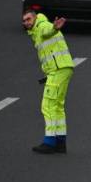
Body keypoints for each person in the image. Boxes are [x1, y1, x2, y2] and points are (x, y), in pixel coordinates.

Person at [22, 10, 74, 154]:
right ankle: (60, 142)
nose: (26, 22)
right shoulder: (36, 31)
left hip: (58, 70)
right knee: (57, 106)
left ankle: (50, 142)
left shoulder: (42, 26)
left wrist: (54, 28)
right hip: (63, 69)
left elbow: (48, 31)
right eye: (24, 20)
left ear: (35, 17)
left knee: (48, 105)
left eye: (28, 19)